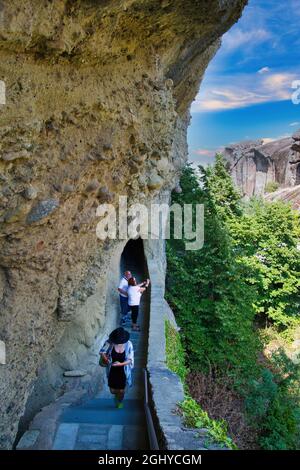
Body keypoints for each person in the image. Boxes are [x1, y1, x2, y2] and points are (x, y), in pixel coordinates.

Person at [99, 327, 134, 409]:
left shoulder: (129, 344)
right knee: (112, 391)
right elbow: (102, 352)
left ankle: (120, 401)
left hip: (123, 370)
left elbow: (130, 360)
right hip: (112, 370)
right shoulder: (109, 342)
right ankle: (117, 396)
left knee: (121, 390)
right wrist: (105, 359)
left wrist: (120, 364)